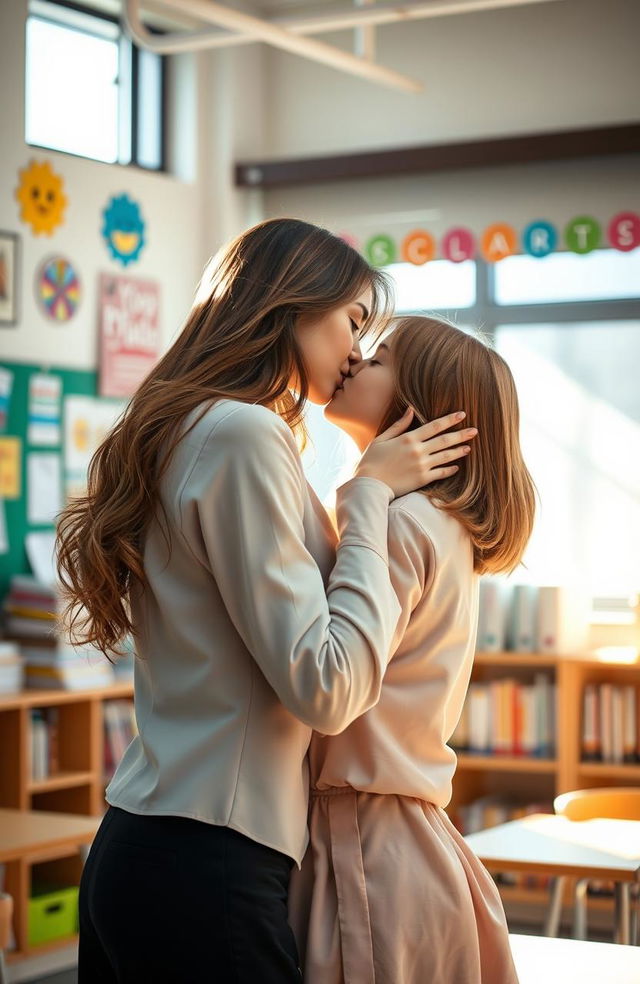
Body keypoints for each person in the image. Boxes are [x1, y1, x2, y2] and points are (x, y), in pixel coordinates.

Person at [54, 220, 476, 984]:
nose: (355, 351)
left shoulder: (193, 425)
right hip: (208, 860)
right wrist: (371, 494)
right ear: (293, 304)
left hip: (145, 843)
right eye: (353, 321)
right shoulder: (244, 433)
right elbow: (328, 687)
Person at [288, 315, 536, 984]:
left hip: (366, 847)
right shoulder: (444, 528)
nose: (357, 359)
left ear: (419, 407)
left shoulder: (398, 524)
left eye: (381, 358)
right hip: (408, 841)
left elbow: (335, 682)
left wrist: (364, 496)